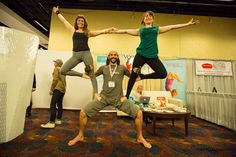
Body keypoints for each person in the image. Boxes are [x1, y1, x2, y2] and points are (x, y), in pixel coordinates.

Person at [68, 50, 152, 149]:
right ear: (108, 57)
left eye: (115, 55)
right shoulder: (103, 68)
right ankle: (80, 135)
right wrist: (87, 71)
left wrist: (138, 72)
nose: (113, 56)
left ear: (117, 57)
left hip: (118, 99)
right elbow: (92, 76)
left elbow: (134, 78)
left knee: (139, 114)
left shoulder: (122, 68)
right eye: (111, 55)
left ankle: (140, 137)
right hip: (104, 98)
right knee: (83, 113)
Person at [112, 11, 199, 98]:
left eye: (150, 16)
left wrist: (187, 24)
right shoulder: (140, 30)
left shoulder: (156, 29)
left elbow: (172, 27)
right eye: (146, 16)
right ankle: (126, 96)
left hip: (152, 57)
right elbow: (126, 31)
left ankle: (142, 77)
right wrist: (116, 31)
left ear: (153, 19)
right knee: (133, 76)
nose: (148, 17)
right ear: (143, 20)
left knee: (163, 74)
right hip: (140, 55)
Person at [52, 6, 114, 98]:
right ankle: (82, 75)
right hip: (75, 55)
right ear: (76, 22)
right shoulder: (73, 30)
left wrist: (107, 30)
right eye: (79, 21)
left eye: (82, 21)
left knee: (92, 73)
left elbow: (99, 32)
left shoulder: (87, 32)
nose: (80, 22)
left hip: (86, 53)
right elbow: (64, 21)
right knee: (63, 70)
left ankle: (96, 94)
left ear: (84, 23)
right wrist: (57, 12)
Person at [41, 59, 66, 129]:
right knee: (60, 104)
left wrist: (51, 89)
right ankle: (58, 120)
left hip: (57, 88)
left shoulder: (56, 69)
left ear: (57, 63)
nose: (54, 63)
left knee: (52, 105)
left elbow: (55, 80)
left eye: (55, 62)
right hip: (63, 89)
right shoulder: (63, 69)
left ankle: (51, 122)